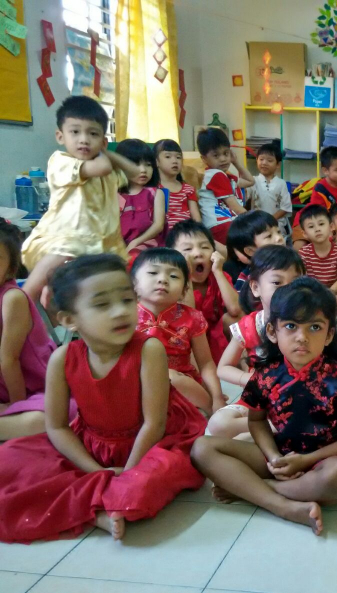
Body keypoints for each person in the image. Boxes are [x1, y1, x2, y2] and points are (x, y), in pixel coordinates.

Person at [0, 255, 205, 543]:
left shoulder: (149, 349)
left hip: (152, 444)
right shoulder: (62, 358)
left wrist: (128, 473)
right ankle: (98, 511)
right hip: (91, 447)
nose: (120, 312)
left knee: (141, 488)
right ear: (69, 320)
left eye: (126, 300)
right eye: (102, 305)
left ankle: (97, 504)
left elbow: (154, 424)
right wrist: (97, 471)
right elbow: (57, 427)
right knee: (8, 461)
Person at [191, 278, 337, 535]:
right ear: (272, 332)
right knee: (202, 448)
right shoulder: (265, 376)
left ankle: (252, 491)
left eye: (315, 327)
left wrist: (306, 460)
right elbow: (256, 421)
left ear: (329, 334)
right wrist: (274, 457)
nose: (302, 337)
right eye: (290, 326)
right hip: (280, 455)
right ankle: (284, 506)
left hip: (324, 461)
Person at [21, 96, 142, 305]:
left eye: (93, 133)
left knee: (87, 292)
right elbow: (103, 167)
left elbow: (135, 172)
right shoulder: (61, 162)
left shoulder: (106, 169)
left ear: (103, 141)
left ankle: (56, 313)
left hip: (101, 243)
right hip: (66, 238)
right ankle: (17, 307)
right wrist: (104, 152)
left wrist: (105, 151)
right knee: (41, 278)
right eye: (75, 132)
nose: (84, 139)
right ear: (60, 136)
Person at [210, 246, 304, 440]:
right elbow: (223, 368)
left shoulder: (310, 323)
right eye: (277, 282)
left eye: (296, 282)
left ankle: (273, 430)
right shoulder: (250, 325)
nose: (288, 289)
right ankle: (273, 426)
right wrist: (251, 380)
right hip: (261, 398)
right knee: (218, 424)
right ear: (255, 288)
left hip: (300, 397)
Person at [0, 223, 72, 440]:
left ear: (10, 269)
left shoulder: (12, 298)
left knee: (56, 414)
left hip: (34, 387)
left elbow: (9, 359)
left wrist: (16, 406)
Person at [133, 248, 225, 415]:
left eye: (173, 276)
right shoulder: (126, 318)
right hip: (138, 384)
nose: (162, 279)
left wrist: (217, 397)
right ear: (133, 283)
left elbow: (205, 363)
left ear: (184, 290)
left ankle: (208, 411)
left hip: (183, 384)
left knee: (172, 377)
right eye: (153, 273)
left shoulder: (192, 318)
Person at [166, 221, 242, 364]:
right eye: (187, 249)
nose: (198, 253)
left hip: (214, 338)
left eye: (205, 247)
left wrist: (218, 272)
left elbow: (235, 309)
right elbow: (188, 320)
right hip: (187, 340)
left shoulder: (218, 276)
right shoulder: (172, 281)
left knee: (234, 319)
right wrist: (186, 274)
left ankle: (242, 367)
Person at [196, 127, 254, 245]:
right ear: (204, 159)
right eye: (216, 155)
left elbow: (250, 181)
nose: (223, 159)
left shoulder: (225, 176)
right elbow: (235, 207)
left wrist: (235, 162)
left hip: (225, 224)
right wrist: (254, 220)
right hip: (220, 225)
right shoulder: (216, 175)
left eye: (226, 153)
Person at [292, 146, 337, 250]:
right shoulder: (320, 187)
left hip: (330, 223)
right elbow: (317, 213)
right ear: (325, 170)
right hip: (307, 219)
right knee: (300, 246)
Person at [115, 139, 167, 257]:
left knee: (135, 256)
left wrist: (135, 242)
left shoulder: (156, 193)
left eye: (148, 165)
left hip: (148, 244)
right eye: (136, 164)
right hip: (119, 245)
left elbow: (158, 225)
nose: (143, 170)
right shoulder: (115, 194)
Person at [297, 205, 337, 305]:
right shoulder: (303, 253)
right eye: (311, 227)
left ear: (331, 227)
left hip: (334, 293)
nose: (317, 229)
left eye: (321, 224)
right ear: (304, 234)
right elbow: (302, 279)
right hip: (312, 294)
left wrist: (327, 294)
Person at [225, 210, 284, 296]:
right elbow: (243, 303)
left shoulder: (292, 263)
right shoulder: (248, 278)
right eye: (269, 236)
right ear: (251, 251)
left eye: (278, 232)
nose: (279, 238)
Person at [154, 138, 201, 232]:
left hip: (186, 232)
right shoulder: (153, 189)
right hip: (163, 233)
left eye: (178, 157)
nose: (175, 161)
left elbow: (196, 218)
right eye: (168, 157)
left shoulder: (188, 189)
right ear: (156, 162)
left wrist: (199, 232)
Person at [249, 143, 292, 239]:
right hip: (257, 224)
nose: (264, 163)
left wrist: (270, 220)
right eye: (261, 159)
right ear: (256, 160)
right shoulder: (252, 180)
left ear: (278, 164)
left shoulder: (281, 183)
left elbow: (285, 207)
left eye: (269, 160)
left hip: (276, 224)